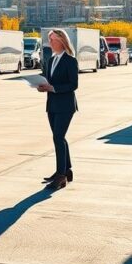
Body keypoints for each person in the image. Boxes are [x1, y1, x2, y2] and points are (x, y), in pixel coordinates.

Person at [37, 28, 79, 191]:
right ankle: (65, 170)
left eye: (53, 40)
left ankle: (61, 176)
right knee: (59, 138)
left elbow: (73, 84)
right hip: (52, 104)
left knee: (58, 137)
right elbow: (49, 80)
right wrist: (41, 85)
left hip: (65, 105)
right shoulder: (51, 59)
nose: (50, 43)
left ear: (62, 41)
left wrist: (53, 88)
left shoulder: (70, 61)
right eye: (49, 40)